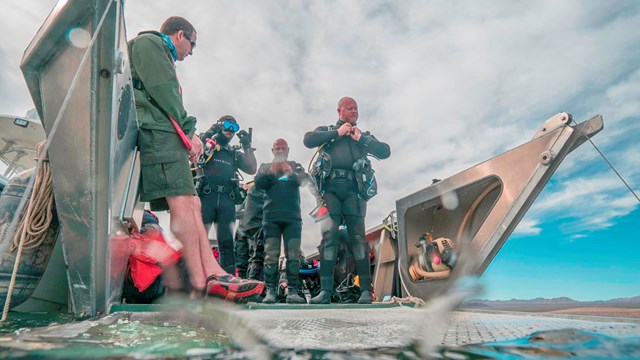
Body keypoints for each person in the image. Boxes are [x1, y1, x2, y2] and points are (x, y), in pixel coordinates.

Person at [128, 16, 263, 300]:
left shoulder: (159, 52)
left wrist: (245, 145)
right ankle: (201, 282)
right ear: (180, 35)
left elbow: (250, 168)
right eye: (192, 44)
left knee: (191, 201)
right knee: (183, 202)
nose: (191, 51)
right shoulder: (150, 43)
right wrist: (192, 132)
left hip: (166, 134)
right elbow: (164, 91)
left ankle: (213, 273)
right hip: (159, 133)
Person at [303, 97, 390, 304]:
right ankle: (325, 291)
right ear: (339, 111)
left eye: (356, 108)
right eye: (349, 108)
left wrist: (362, 139)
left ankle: (366, 291)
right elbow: (308, 140)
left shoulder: (361, 137)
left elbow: (385, 151)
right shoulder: (329, 131)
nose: (354, 111)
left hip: (354, 193)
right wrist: (337, 133)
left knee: (358, 239)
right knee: (329, 239)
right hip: (331, 192)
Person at [197, 115, 257, 274]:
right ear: (219, 125)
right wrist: (211, 131)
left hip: (226, 201)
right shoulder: (207, 144)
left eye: (235, 128)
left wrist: (247, 146)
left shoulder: (233, 153)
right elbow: (194, 146)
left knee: (227, 243)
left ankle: (228, 282)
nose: (231, 130)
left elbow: (251, 169)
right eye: (228, 125)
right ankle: (193, 282)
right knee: (198, 240)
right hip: (205, 197)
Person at [254, 139, 310, 304]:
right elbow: (258, 184)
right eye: (277, 148)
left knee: (293, 256)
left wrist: (291, 173)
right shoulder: (265, 167)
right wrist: (271, 173)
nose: (279, 151)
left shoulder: (295, 165)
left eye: (282, 148)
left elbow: (304, 181)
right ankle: (271, 291)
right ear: (272, 150)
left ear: (288, 150)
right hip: (271, 219)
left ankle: (292, 291)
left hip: (292, 218)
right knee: (270, 256)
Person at [234, 182, 266, 280]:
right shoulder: (246, 199)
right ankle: (244, 285)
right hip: (243, 231)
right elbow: (236, 213)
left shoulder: (262, 194)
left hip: (256, 230)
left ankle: (253, 284)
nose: (244, 186)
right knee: (243, 261)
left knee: (255, 258)